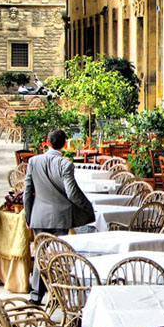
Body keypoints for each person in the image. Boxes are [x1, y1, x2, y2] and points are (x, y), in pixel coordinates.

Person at [24, 129, 95, 304]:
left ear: (47, 142)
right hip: (60, 217)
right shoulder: (65, 164)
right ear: (64, 143)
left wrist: (28, 215)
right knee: (58, 256)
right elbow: (71, 193)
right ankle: (57, 294)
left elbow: (27, 191)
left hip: (39, 216)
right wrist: (87, 207)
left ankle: (36, 295)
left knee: (40, 254)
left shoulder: (33, 161)